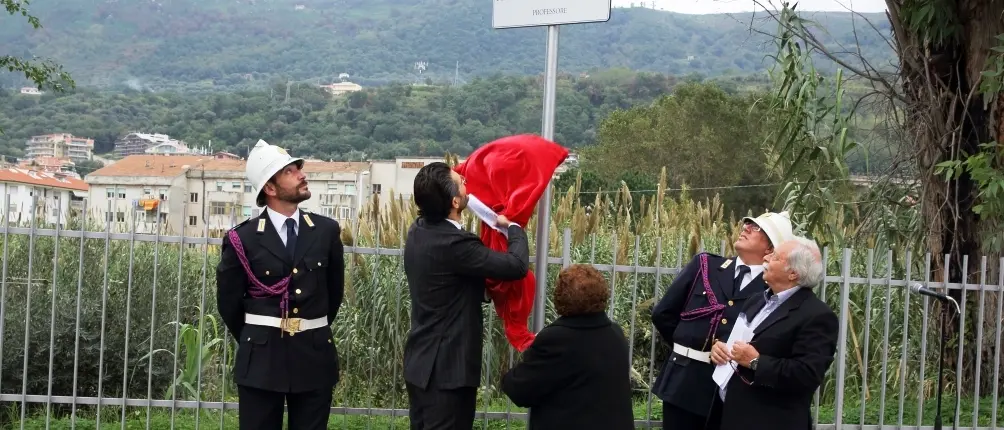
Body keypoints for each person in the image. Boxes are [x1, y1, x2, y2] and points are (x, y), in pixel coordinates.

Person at [216, 139, 345, 430]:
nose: (301, 174)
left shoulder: (325, 231)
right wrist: (259, 335)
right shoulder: (243, 238)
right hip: (261, 361)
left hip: (314, 357)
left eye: (298, 168)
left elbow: (333, 294)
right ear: (270, 189)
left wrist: (308, 327)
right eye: (289, 171)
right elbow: (229, 304)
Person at [402, 162, 530, 430]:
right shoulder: (456, 244)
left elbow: (449, 279)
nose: (466, 181)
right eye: (461, 182)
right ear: (455, 201)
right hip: (448, 373)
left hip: (420, 364)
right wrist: (514, 229)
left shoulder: (418, 230)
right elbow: (516, 266)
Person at [651, 211, 793, 430]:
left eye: (756, 228)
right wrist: (695, 346)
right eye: (747, 223)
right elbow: (664, 314)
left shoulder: (773, 288)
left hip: (735, 395)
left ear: (770, 248)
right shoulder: (705, 265)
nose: (745, 227)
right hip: (684, 386)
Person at [710, 236, 838, 430]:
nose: (766, 257)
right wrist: (721, 349)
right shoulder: (756, 300)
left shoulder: (817, 315)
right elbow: (742, 339)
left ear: (793, 273)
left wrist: (756, 362)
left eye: (775, 257)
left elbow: (807, 375)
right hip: (730, 414)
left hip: (770, 420)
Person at [500, 264, 634, 430]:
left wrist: (507, 375)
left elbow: (520, 390)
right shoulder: (615, 333)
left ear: (560, 297)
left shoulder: (556, 339)